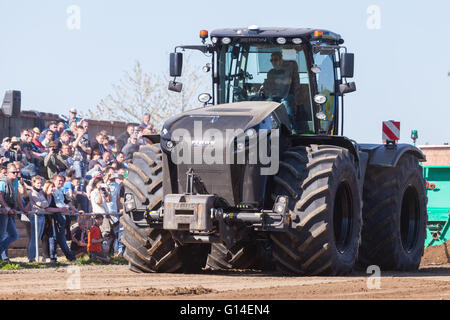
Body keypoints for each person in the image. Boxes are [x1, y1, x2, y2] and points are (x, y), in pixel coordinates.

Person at [0, 163, 29, 261]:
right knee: (2, 235)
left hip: (10, 210)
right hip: (2, 211)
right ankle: (4, 259)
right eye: (13, 172)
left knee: (13, 235)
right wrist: (7, 208)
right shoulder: (2, 182)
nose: (16, 174)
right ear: (7, 173)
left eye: (17, 172)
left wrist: (23, 208)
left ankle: (3, 257)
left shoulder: (15, 181)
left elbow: (18, 196)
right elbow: (0, 196)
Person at [44, 176, 77, 262]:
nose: (61, 182)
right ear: (54, 181)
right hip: (55, 216)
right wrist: (61, 210)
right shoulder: (52, 191)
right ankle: (60, 257)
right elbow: (51, 206)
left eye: (62, 181)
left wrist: (75, 210)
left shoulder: (61, 191)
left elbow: (67, 202)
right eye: (59, 181)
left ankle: (54, 257)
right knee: (56, 238)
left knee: (58, 238)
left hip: (62, 216)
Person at [27, 175, 48, 262]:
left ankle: (33, 256)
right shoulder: (32, 193)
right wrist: (43, 204)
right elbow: (40, 203)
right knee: (34, 238)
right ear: (33, 183)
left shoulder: (41, 192)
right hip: (35, 216)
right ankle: (31, 257)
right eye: (38, 183)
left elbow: (46, 203)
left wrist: (43, 204)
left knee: (38, 238)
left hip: (41, 215)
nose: (40, 185)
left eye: (41, 183)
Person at [72, 124, 91, 191]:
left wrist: (81, 146)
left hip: (84, 161)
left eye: (82, 131)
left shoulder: (86, 140)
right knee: (78, 177)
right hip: (77, 160)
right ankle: (77, 191)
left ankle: (81, 192)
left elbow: (88, 150)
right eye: (80, 131)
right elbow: (74, 145)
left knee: (83, 180)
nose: (81, 133)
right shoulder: (73, 138)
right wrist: (79, 137)